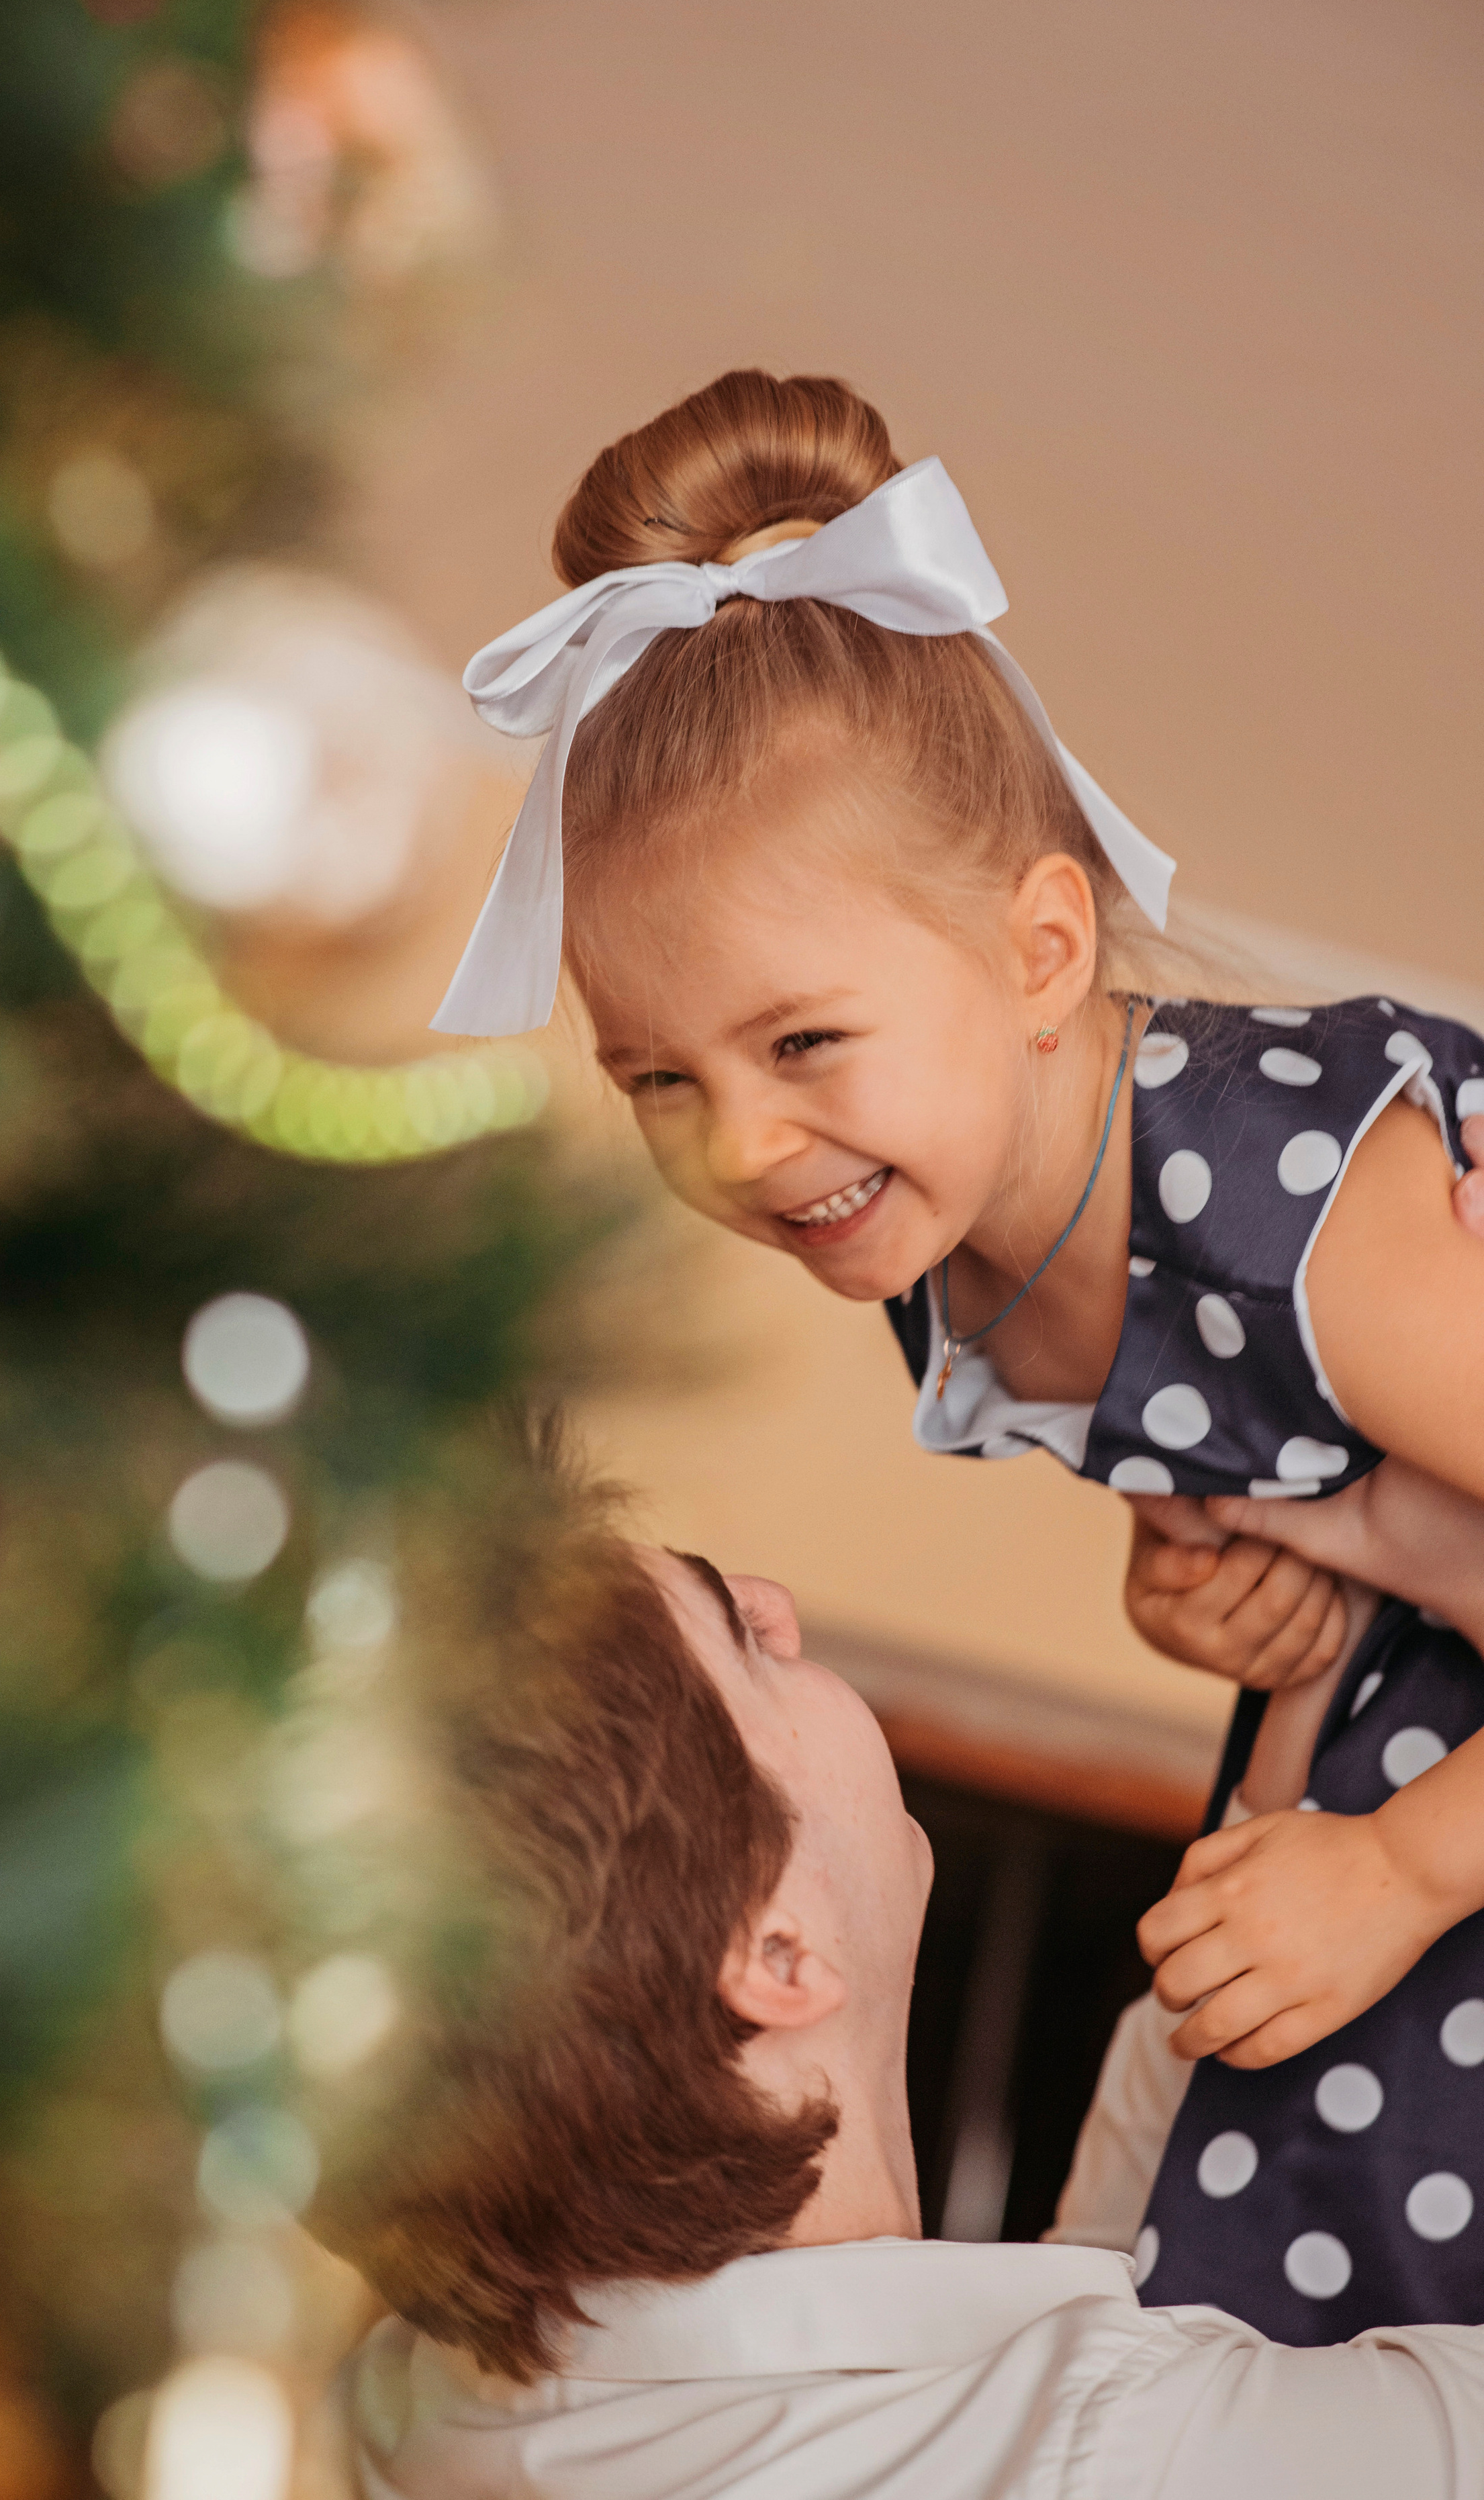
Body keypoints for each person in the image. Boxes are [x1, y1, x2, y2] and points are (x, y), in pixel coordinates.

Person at [427, 368, 1484, 2336]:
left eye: (802, 1042)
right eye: (659, 1078)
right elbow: (1311, 1505)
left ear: (1043, 954)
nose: (738, 1146)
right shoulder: (945, 1244)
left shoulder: (1292, 1200)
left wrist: (1410, 1867)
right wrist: (1207, 1592)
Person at [329, 1438, 1484, 2497]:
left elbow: (1093, 2326)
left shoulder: (422, 2405)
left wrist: (1298, 1745)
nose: (777, 1608)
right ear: (776, 1952)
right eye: (740, 1638)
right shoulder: (1148, 2464)